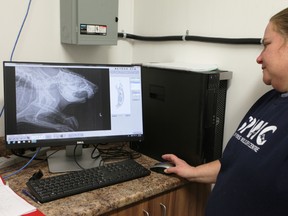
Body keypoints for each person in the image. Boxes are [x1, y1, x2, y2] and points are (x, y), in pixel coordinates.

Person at [162, 7, 288, 216]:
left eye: (266, 44)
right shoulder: (269, 99)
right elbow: (234, 164)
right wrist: (192, 172)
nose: (259, 58)